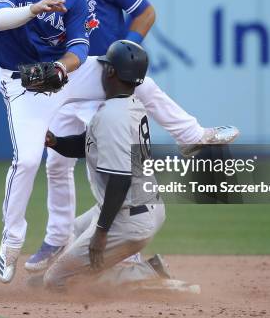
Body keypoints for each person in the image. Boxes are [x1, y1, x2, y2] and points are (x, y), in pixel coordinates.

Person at [0, 0, 236, 285]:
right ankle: (12, 242)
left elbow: (79, 47)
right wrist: (36, 8)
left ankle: (191, 135)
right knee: (28, 160)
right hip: (22, 78)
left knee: (140, 84)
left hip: (65, 70)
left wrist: (62, 67)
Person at [43, 40, 179, 290]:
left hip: (129, 217)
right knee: (72, 230)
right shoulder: (130, 105)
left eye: (103, 66)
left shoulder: (111, 116)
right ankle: (112, 263)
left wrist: (101, 234)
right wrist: (56, 142)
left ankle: (146, 272)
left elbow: (120, 179)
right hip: (146, 205)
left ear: (111, 72)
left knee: (56, 281)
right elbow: (88, 144)